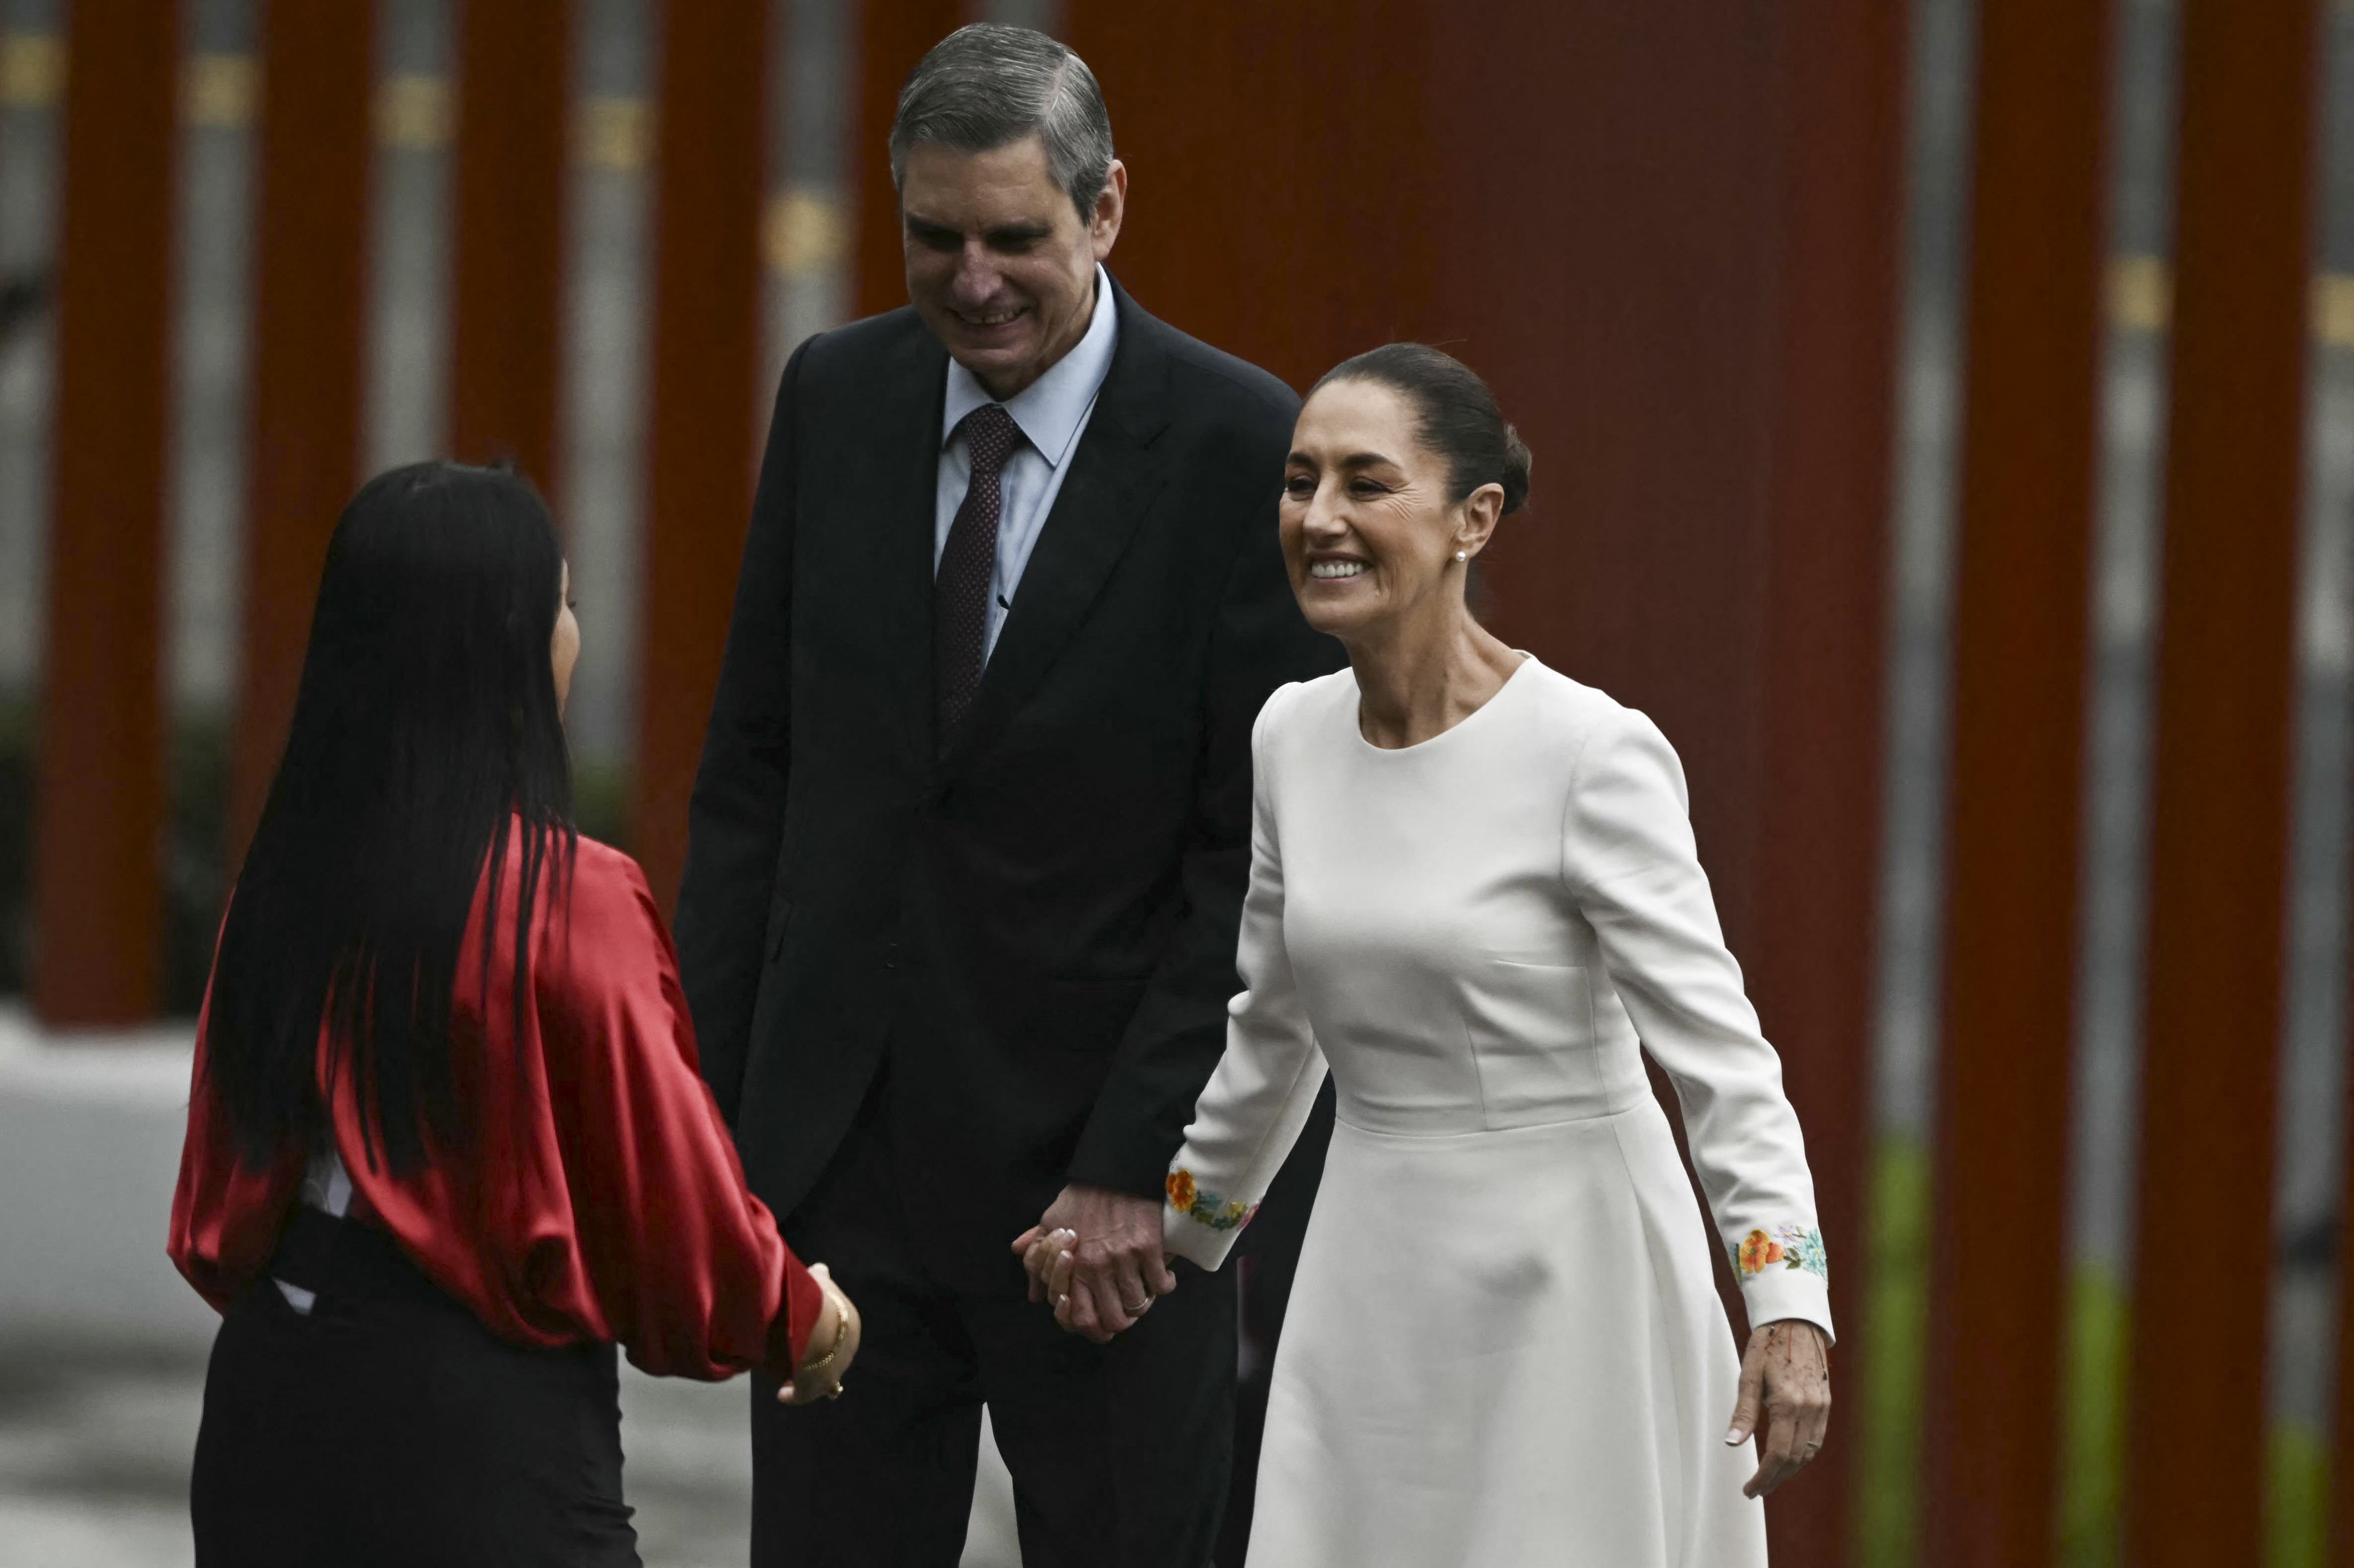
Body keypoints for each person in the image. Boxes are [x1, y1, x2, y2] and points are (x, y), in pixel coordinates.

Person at [673, 23, 1338, 1566]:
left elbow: (1252, 857)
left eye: (1014, 237)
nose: (972, 277)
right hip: (841, 1178)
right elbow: (753, 779)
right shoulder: (835, 396)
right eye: (934, 236)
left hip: (1097, 1214)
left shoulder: (1244, 447)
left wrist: (1141, 1167)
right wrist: (712, 1131)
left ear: (1104, 211)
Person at [1033, 344, 1836, 1564]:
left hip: (1571, 1276)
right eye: (1300, 482)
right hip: (1368, 1268)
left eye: (1366, 482)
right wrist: (1165, 1226)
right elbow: (1273, 1034)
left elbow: (1722, 1062)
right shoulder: (1289, 734)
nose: (1320, 517)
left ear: (1474, 519)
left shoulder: (1591, 752)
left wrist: (1787, 1305)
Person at [168, 462, 860, 1568]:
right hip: (474, 1421)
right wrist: (804, 1313)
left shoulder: (279, 880)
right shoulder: (569, 897)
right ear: (505, 643)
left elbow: (221, 1177)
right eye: (566, 602)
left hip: (267, 1397)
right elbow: (673, 1194)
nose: (574, 634)